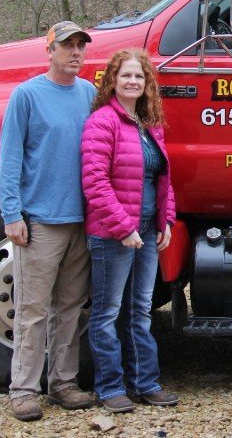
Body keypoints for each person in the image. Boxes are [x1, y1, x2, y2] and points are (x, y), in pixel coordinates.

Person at [0, 21, 96, 421]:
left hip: (81, 220)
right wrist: (11, 214)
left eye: (80, 46)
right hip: (40, 221)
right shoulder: (27, 95)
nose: (75, 53)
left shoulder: (89, 93)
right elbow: (10, 158)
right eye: (67, 46)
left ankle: (63, 383)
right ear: (49, 50)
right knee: (33, 309)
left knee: (71, 307)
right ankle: (23, 388)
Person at [81, 49, 178, 413]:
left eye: (139, 76)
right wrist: (123, 228)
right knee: (107, 312)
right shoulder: (102, 122)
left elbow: (164, 179)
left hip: (146, 232)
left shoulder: (149, 123)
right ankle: (109, 388)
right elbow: (95, 183)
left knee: (140, 310)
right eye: (126, 76)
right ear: (112, 81)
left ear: (146, 83)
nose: (133, 82)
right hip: (112, 234)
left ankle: (145, 383)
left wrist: (165, 221)